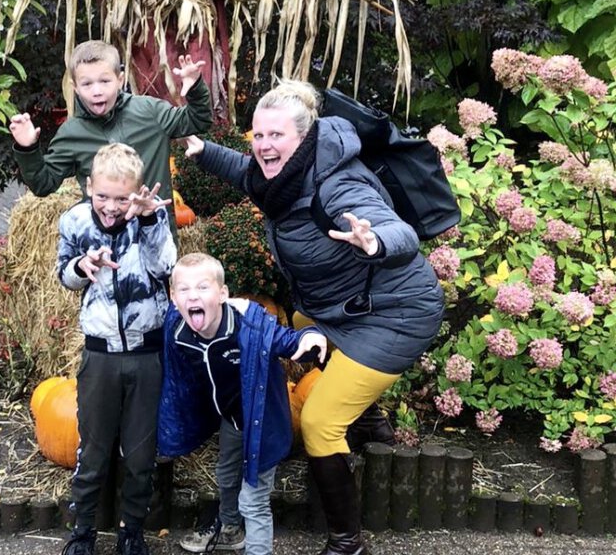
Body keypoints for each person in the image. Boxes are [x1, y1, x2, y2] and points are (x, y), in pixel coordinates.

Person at [183, 80, 445, 555]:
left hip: (396, 313)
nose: (264, 145)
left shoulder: (336, 183)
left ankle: (348, 541)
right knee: (299, 333)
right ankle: (369, 422)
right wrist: (201, 150)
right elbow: (246, 172)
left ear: (302, 138)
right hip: (339, 310)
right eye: (258, 135)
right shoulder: (279, 177)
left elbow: (398, 230)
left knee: (320, 422)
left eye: (276, 136)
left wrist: (375, 242)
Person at [157, 252, 327, 555]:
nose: (193, 295)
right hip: (232, 418)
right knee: (226, 475)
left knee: (254, 500)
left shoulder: (249, 327)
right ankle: (230, 530)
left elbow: (286, 339)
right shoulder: (177, 331)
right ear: (173, 297)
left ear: (222, 294)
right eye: (184, 290)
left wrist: (310, 338)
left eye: (203, 288)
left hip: (263, 423)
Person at [56, 143, 177, 555]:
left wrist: (147, 220)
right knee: (92, 452)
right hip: (100, 354)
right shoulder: (74, 221)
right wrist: (79, 268)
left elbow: (166, 268)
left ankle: (132, 531)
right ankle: (83, 531)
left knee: (141, 454)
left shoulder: (150, 219)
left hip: (146, 353)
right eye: (102, 196)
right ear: (89, 186)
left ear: (138, 193)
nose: (110, 206)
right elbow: (64, 273)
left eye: (122, 198)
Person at [10, 39, 212, 235]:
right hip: (102, 245)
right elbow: (43, 184)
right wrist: (27, 149)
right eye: (87, 84)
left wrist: (194, 88)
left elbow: (198, 120)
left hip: (153, 238)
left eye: (105, 81)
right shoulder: (71, 134)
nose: (97, 91)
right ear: (75, 87)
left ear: (120, 79)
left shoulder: (150, 112)